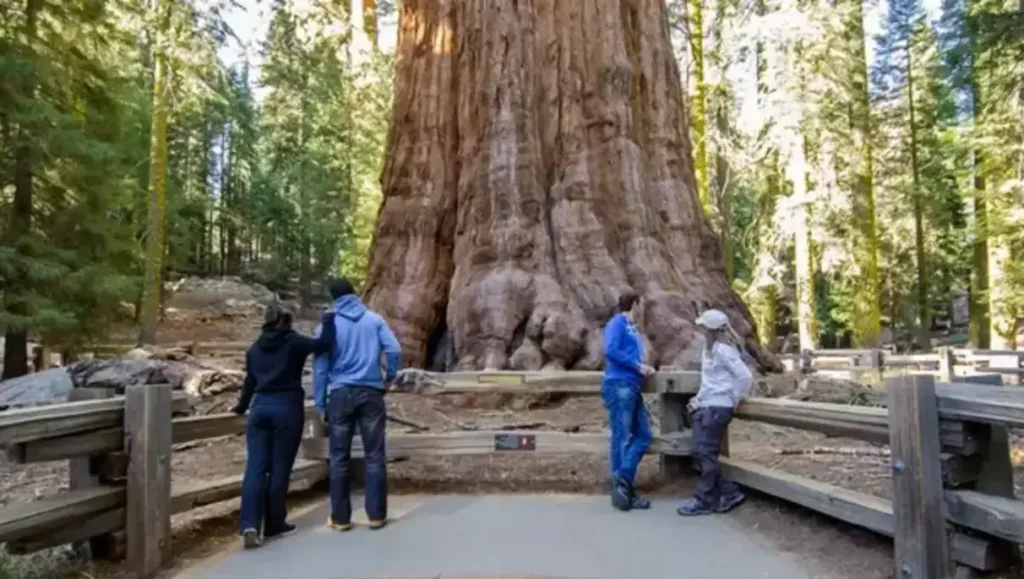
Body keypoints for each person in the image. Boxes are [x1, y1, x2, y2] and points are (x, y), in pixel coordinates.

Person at [233, 304, 335, 549]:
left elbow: (250, 383)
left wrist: (240, 406)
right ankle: (274, 523)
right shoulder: (295, 342)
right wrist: (329, 321)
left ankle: (249, 523)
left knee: (255, 467)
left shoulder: (254, 350)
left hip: (259, 409)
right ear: (288, 322)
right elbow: (324, 345)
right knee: (280, 467)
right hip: (287, 408)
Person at [313, 277, 401, 532]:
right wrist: (389, 377)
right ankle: (376, 515)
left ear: (334, 299)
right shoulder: (374, 320)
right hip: (371, 392)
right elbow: (393, 349)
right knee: (375, 454)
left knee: (339, 456)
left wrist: (321, 404)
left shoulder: (328, 326)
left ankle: (341, 518)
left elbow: (320, 368)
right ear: (354, 294)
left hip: (340, 395)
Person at [676, 308, 753, 517]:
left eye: (704, 327)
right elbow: (708, 381)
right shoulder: (708, 350)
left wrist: (736, 397)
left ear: (712, 330)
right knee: (698, 452)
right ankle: (729, 492)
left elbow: (745, 377)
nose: (701, 330)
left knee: (706, 453)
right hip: (706, 405)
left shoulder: (725, 351)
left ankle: (703, 499)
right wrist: (698, 399)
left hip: (719, 407)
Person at [602, 291, 656, 511]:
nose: (641, 309)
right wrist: (637, 366)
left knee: (643, 436)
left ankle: (623, 480)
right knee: (622, 436)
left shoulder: (631, 327)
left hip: (632, 386)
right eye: (640, 304)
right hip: (619, 385)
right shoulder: (616, 324)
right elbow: (611, 350)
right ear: (635, 304)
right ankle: (622, 489)